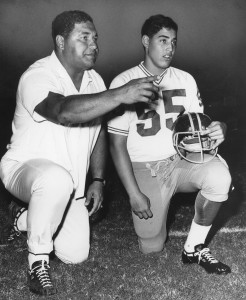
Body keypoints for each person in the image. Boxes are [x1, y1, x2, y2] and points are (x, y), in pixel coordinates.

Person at [0, 10, 159, 296]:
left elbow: (97, 130)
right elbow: (64, 111)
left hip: (69, 184)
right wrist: (120, 94)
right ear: (61, 41)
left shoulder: (94, 81)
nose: (94, 45)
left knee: (76, 254)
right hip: (23, 170)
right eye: (83, 37)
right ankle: (37, 263)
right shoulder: (37, 75)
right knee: (55, 180)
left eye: (95, 38)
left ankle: (23, 217)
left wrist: (98, 179)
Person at [108, 14, 232, 275]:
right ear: (145, 41)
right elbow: (116, 145)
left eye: (173, 42)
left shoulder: (185, 79)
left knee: (220, 176)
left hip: (182, 160)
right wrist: (133, 193)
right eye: (162, 40)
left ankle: (193, 248)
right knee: (151, 246)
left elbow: (199, 129)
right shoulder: (123, 82)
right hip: (146, 168)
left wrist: (220, 128)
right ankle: (154, 223)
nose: (169, 48)